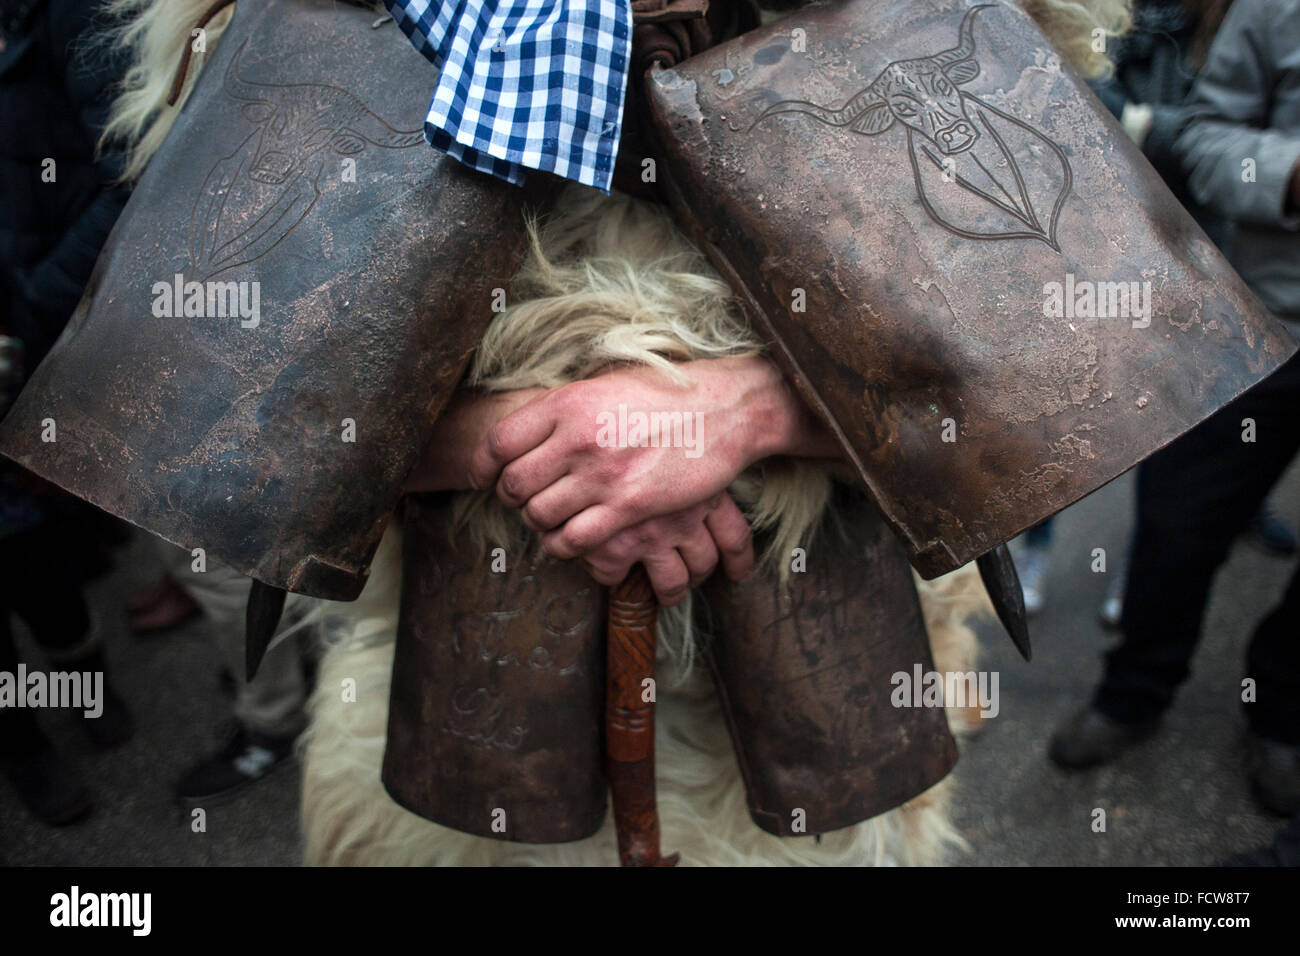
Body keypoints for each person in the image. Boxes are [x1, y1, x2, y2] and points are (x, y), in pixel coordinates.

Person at [1050, 0, 1300, 819]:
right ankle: (1134, 694)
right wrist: (1289, 174)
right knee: (1177, 527)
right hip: (1257, 324)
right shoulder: (1273, 10)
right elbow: (1199, 134)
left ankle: (1284, 713)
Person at [0, 0, 134, 824]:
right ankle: (22, 748)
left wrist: (34, 303)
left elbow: (123, 170)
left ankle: (85, 681)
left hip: (22, 328)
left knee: (36, 560)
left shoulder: (52, 22)